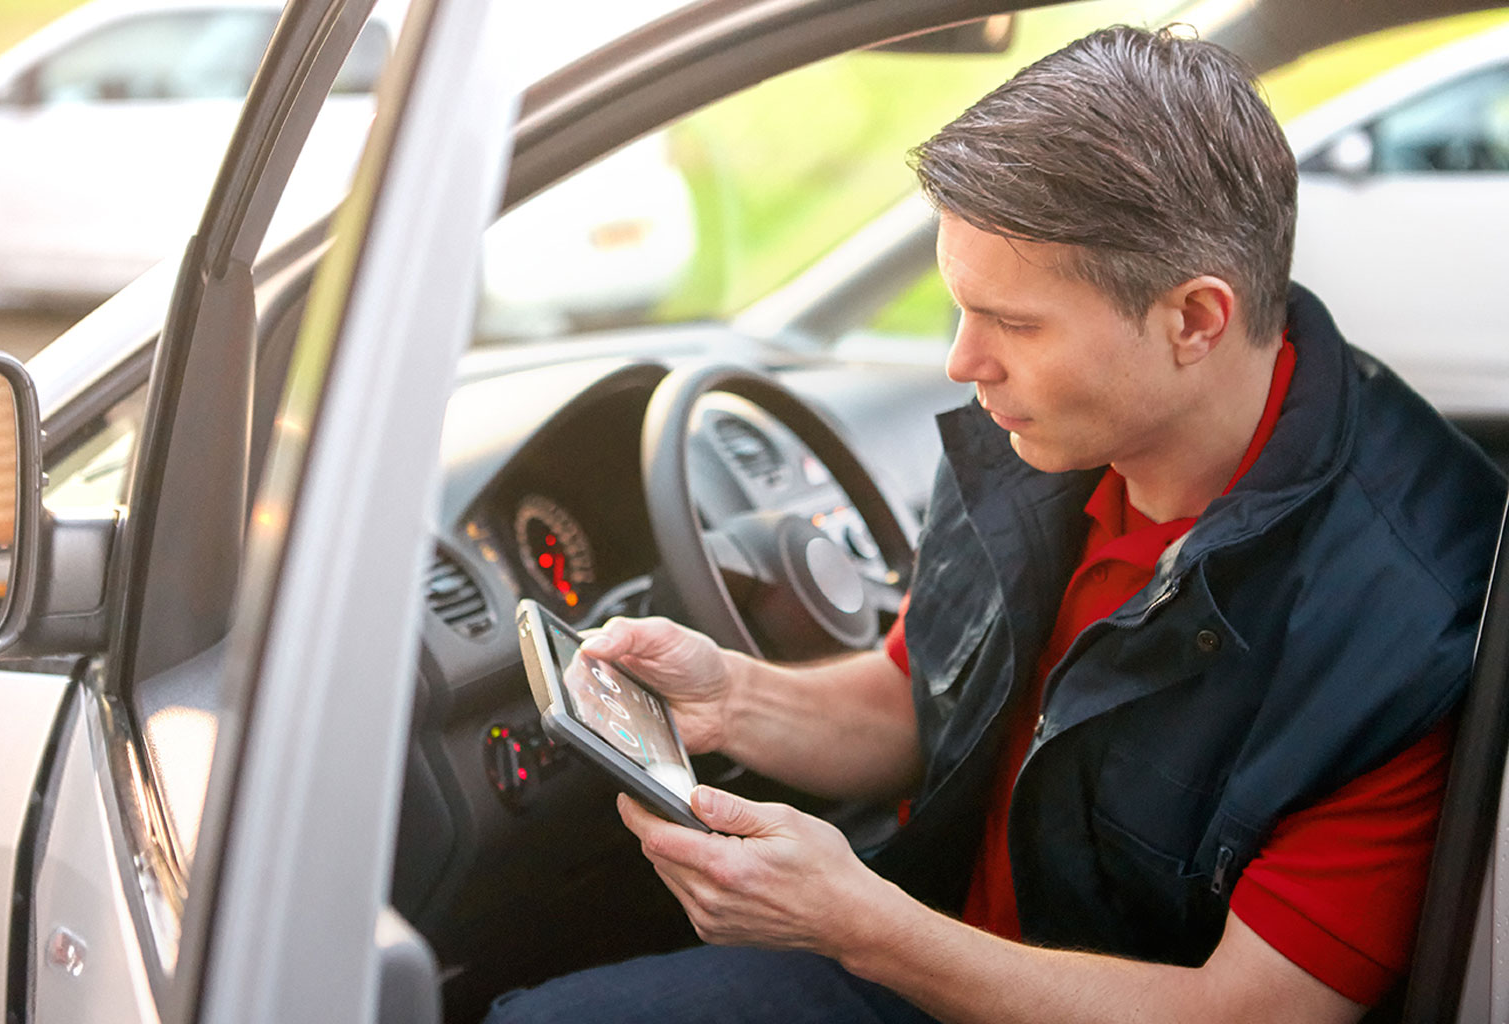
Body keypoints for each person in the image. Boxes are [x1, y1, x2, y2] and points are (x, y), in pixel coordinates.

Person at [487, 25, 1506, 1024]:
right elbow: (919, 694)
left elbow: (1245, 1010)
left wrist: (863, 924)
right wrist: (733, 698)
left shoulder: (1415, 620)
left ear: (1195, 319)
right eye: (959, 308)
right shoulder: (1051, 435)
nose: (963, 363)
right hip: (936, 953)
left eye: (1013, 323)